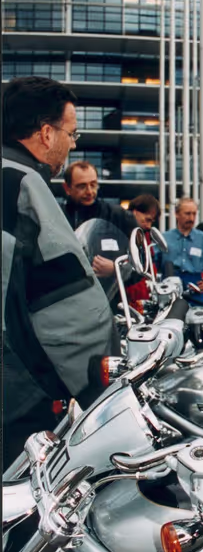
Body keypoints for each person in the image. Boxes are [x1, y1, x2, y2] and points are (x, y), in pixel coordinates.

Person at [2, 77, 115, 470]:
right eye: (71, 132)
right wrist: (99, 385)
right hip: (19, 391)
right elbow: (66, 300)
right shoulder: (24, 185)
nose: (73, 143)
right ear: (46, 134)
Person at [61, 161, 137, 293]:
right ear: (67, 188)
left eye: (93, 184)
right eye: (82, 186)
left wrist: (116, 269)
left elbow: (141, 265)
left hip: (110, 302)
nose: (89, 191)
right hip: (68, 300)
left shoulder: (119, 216)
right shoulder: (57, 217)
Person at [157, 198, 203, 307]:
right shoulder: (164, 238)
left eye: (194, 214)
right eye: (187, 214)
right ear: (176, 214)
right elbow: (151, 264)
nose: (191, 218)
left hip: (195, 288)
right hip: (170, 287)